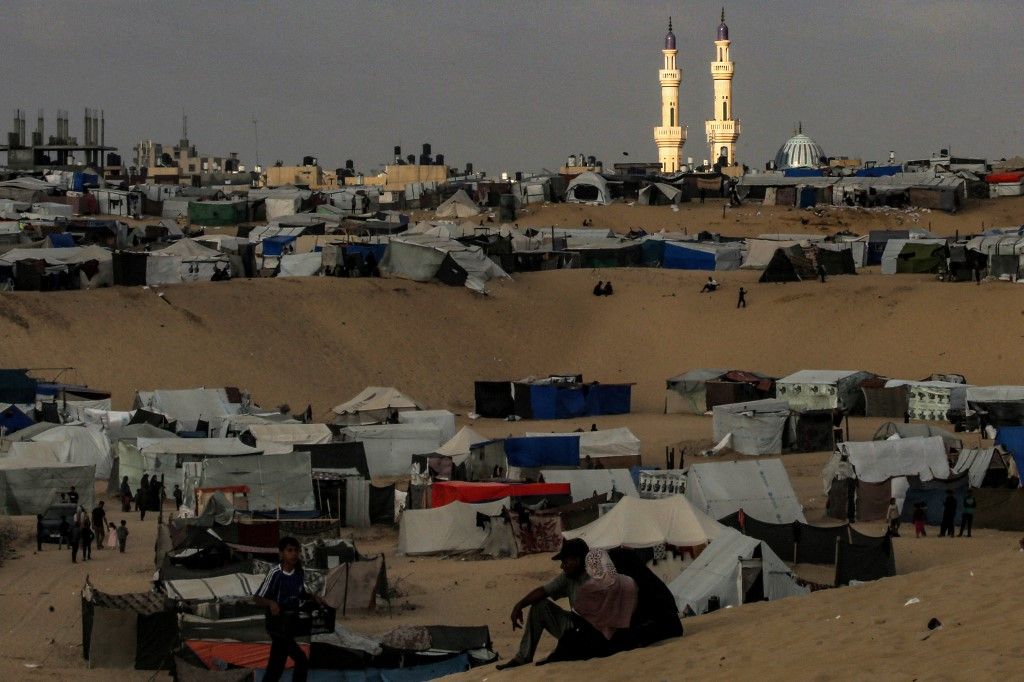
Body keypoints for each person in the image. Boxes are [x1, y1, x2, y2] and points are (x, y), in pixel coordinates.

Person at [496, 538, 591, 670]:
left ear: (577, 560)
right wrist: (520, 605)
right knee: (540, 606)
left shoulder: (595, 579)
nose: (562, 566)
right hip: (573, 626)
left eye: (565, 561)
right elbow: (544, 591)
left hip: (590, 633)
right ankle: (523, 657)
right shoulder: (568, 577)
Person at [253, 536, 324, 682]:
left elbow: (300, 593)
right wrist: (271, 603)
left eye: (296, 550)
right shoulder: (275, 573)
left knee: (276, 667)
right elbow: (257, 598)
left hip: (289, 625)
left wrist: (313, 597)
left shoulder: (299, 573)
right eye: (289, 550)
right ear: (281, 554)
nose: (294, 554)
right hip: (277, 626)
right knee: (301, 660)